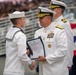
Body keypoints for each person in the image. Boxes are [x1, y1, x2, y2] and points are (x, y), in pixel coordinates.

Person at [34, 6, 69, 75]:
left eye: (41, 18)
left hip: (56, 70)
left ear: (49, 18)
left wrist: (47, 58)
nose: (39, 20)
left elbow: (62, 50)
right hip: (43, 70)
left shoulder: (59, 31)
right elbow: (36, 49)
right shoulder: (38, 32)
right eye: (39, 18)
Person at [3, 11, 35, 75]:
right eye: (23, 19)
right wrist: (30, 63)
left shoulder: (9, 32)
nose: (25, 21)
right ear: (19, 20)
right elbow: (22, 55)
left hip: (7, 70)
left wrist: (26, 51)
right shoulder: (20, 35)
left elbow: (14, 49)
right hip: (16, 71)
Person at [49, 0, 74, 71]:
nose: (51, 11)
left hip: (62, 61)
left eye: (53, 9)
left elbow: (69, 43)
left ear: (59, 10)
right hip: (53, 58)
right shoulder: (52, 22)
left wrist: (69, 62)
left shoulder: (64, 23)